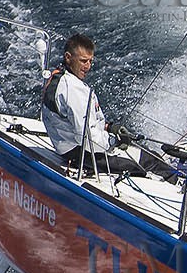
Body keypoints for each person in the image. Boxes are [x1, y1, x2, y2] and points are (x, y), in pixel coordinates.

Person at [40, 33, 147, 176]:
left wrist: (108, 127)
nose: (88, 66)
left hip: (69, 147)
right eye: (83, 61)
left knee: (147, 157)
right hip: (82, 153)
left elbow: (78, 121)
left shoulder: (58, 75)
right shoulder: (74, 90)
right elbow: (87, 139)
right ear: (68, 57)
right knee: (141, 166)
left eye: (90, 61)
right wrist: (114, 141)